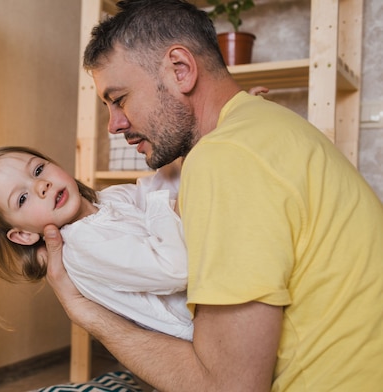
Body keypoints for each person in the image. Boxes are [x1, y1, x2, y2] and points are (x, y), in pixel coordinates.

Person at [41, 0, 383, 391]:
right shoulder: (266, 125)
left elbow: (228, 387)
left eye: (119, 99)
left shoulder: (225, 158)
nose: (114, 125)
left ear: (180, 70)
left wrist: (87, 313)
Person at [0, 145, 194, 340]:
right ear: (24, 235)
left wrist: (191, 157)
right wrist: (164, 206)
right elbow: (176, 270)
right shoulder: (82, 246)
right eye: (22, 198)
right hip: (195, 329)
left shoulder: (108, 199)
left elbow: (161, 185)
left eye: (38, 170)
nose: (41, 185)